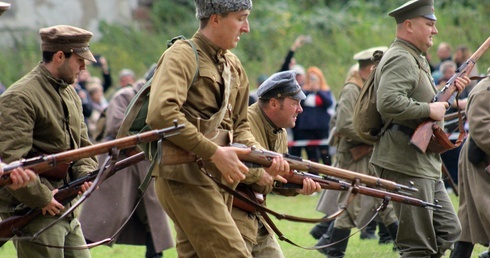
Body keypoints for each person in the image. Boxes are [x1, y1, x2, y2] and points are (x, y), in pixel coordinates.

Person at [145, 1, 289, 257]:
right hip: (184, 176)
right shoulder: (182, 55)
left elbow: (241, 124)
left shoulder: (233, 65)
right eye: (241, 18)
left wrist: (260, 155)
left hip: (219, 180)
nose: (246, 28)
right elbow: (161, 114)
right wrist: (214, 152)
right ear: (215, 19)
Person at [370, 1, 471, 257]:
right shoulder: (401, 57)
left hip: (421, 160)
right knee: (418, 245)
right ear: (409, 26)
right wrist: (428, 110)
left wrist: (447, 95)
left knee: (449, 231)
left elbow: (420, 98)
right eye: (429, 24)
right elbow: (388, 102)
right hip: (405, 161)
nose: (435, 31)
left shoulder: (414, 56)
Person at [0, 25, 99, 258]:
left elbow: (83, 145)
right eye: (79, 60)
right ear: (59, 56)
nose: (84, 67)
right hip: (33, 211)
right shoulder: (20, 97)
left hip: (67, 206)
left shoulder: (70, 93)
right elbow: (10, 162)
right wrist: (43, 198)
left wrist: (85, 175)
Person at [79, 69, 174, 258]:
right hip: (119, 163)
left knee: (153, 216)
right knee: (101, 218)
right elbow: (116, 126)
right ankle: (74, 251)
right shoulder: (126, 96)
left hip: (143, 162)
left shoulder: (159, 100)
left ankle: (155, 255)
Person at [315, 47, 399, 257]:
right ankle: (334, 252)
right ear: (371, 68)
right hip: (355, 155)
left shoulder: (364, 86)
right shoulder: (353, 88)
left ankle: (405, 248)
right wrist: (375, 138)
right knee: (350, 206)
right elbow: (344, 125)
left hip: (367, 153)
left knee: (384, 199)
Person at [232, 70, 321, 257]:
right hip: (233, 214)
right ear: (274, 103)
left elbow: (278, 177)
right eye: (295, 103)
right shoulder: (244, 123)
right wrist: (266, 174)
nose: (300, 109)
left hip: (255, 215)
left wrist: (297, 187)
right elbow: (234, 166)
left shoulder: (280, 131)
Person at [450, 68, 490, 258]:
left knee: (468, 222)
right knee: (470, 220)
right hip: (481, 162)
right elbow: (482, 129)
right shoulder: (485, 90)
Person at [290, 66, 334, 165]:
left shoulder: (324, 91)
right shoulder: (304, 91)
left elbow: (329, 103)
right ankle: (314, 176)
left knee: (325, 153)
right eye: (310, 78)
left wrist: (318, 90)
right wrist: (309, 90)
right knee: (312, 156)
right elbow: (299, 102)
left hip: (321, 128)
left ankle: (329, 176)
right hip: (307, 129)